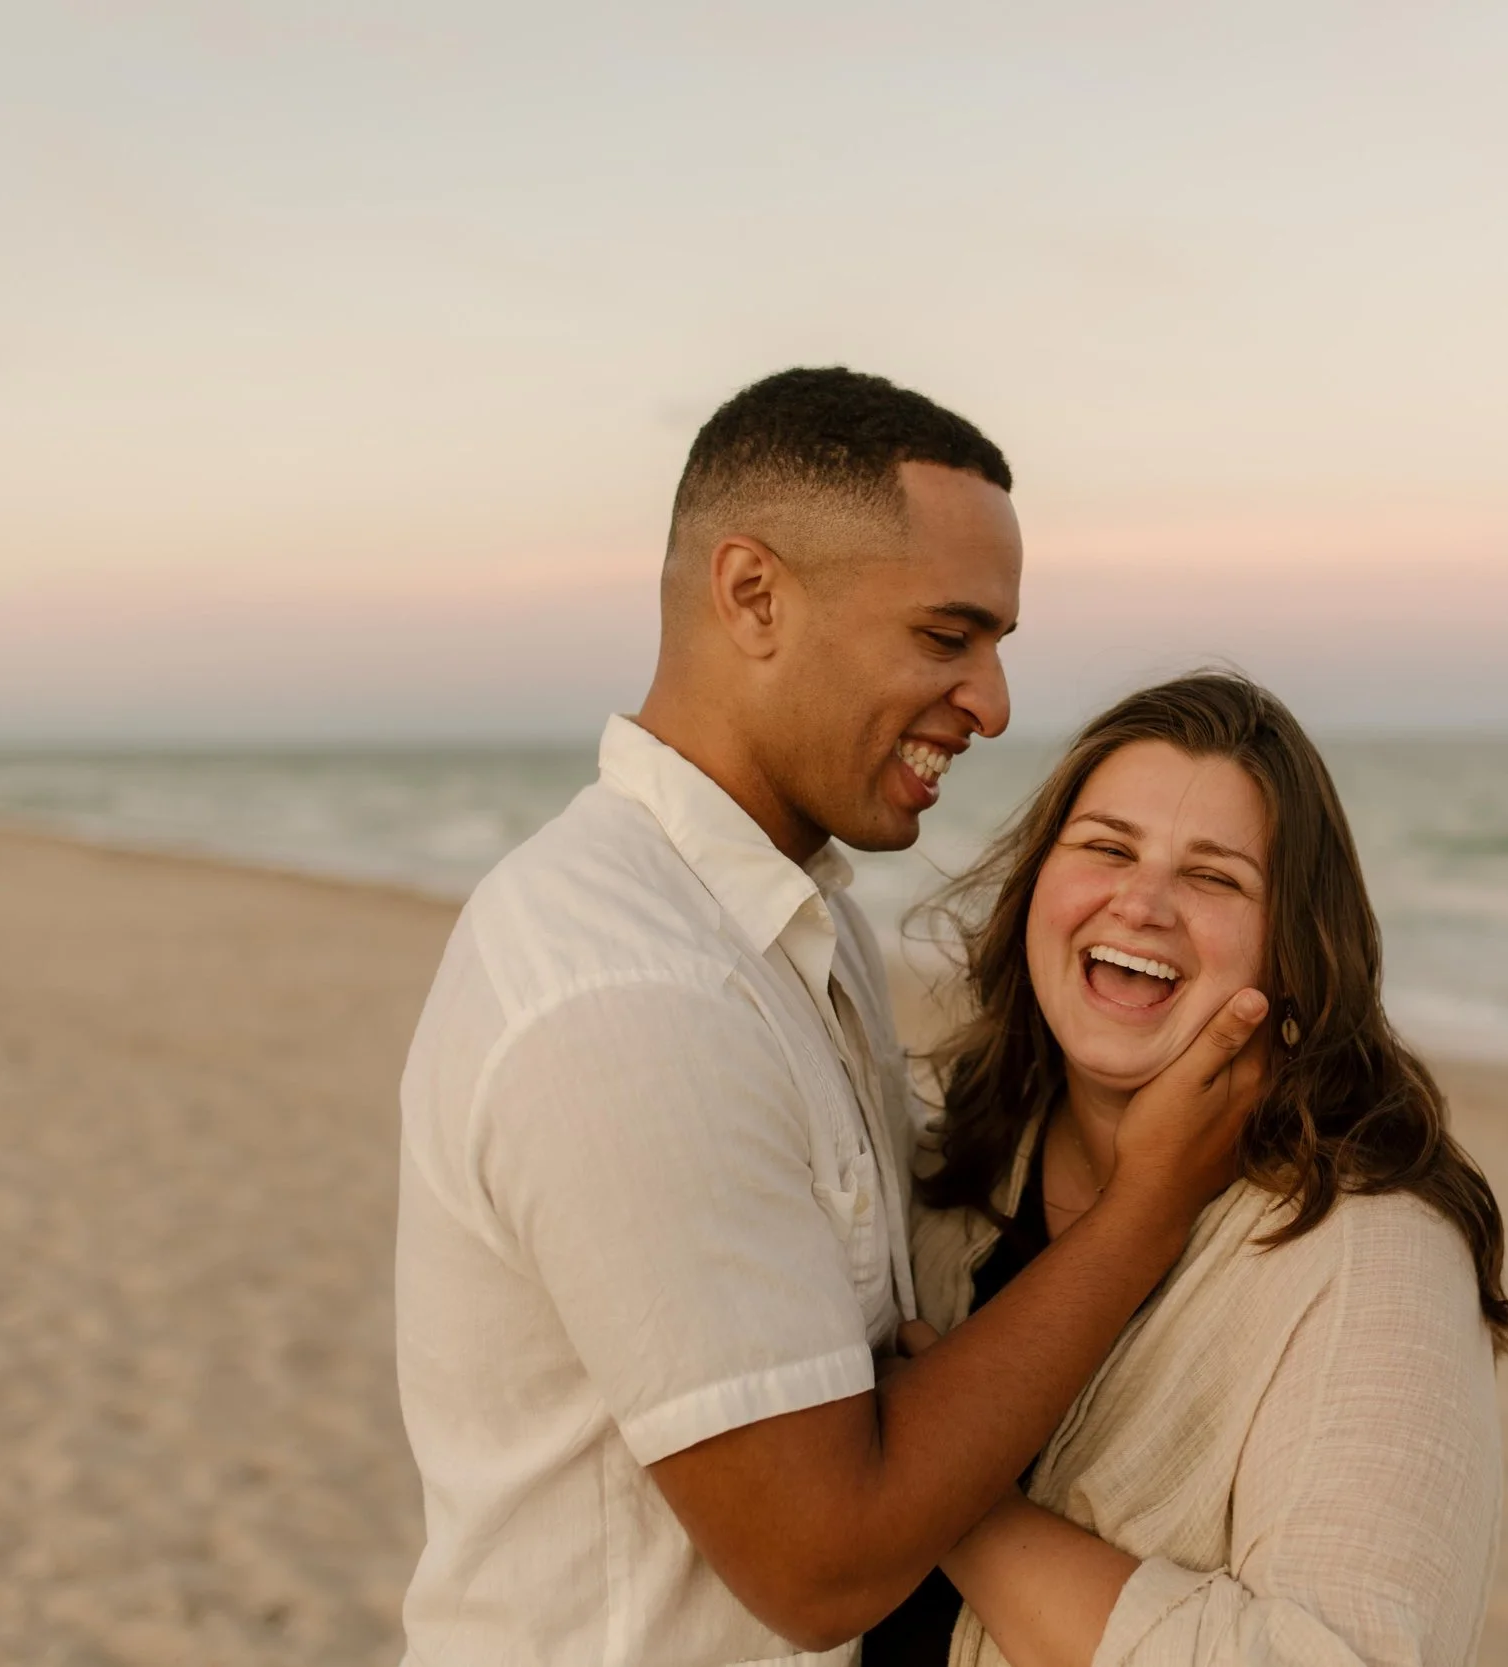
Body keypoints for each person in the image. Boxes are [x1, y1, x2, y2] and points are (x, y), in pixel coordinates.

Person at [392, 369, 1268, 1667]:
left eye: (999, 645)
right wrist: (1148, 1205)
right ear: (754, 595)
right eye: (946, 637)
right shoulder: (630, 993)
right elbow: (820, 1563)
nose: (994, 701)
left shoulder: (794, 918)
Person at [872, 672, 1508, 1667]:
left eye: (1214, 876)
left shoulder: (1371, 1253)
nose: (1141, 902)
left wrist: (940, 1495)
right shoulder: (939, 1180)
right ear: (1035, 886)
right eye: (1104, 847)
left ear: (1293, 950)